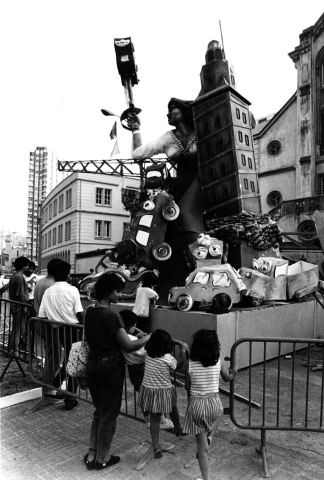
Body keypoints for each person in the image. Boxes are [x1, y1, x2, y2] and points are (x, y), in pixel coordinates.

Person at [128, 98, 205, 301]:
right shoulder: (167, 138)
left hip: (202, 185)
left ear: (185, 112)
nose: (168, 114)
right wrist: (136, 129)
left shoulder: (203, 129)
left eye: (173, 109)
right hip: (178, 189)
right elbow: (138, 154)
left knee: (191, 227)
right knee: (173, 228)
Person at [84, 272, 151, 470]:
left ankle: (92, 454)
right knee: (109, 414)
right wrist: (149, 337)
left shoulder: (90, 311)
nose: (119, 295)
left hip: (92, 363)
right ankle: (102, 458)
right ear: (107, 291)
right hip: (110, 366)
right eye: (117, 291)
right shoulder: (111, 315)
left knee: (99, 411)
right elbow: (129, 346)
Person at [183, 329, 237, 480]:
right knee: (219, 413)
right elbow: (227, 378)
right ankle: (210, 437)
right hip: (214, 403)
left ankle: (205, 478)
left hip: (196, 406)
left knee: (202, 451)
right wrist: (235, 372)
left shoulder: (190, 363)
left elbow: (187, 386)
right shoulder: (217, 360)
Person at [38, 260, 84, 410]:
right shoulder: (72, 290)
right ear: (68, 274)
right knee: (75, 362)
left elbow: (42, 315)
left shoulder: (48, 291)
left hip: (61, 331)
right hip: (74, 329)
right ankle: (70, 397)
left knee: (70, 358)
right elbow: (79, 313)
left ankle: (59, 381)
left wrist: (55, 319)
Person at [137, 329, 189, 459]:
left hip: (149, 390)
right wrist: (182, 350)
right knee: (173, 408)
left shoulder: (147, 355)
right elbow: (179, 365)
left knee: (155, 419)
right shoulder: (168, 358)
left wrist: (142, 336)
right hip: (164, 390)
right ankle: (177, 428)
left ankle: (156, 447)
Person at [119, 309, 174, 430]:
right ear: (131, 326)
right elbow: (144, 351)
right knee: (153, 396)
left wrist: (136, 333)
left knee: (143, 395)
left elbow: (132, 338)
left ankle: (148, 419)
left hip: (132, 371)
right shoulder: (132, 341)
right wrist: (149, 336)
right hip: (142, 370)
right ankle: (161, 420)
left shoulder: (123, 337)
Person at [34, 258, 62, 390]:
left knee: (50, 355)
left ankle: (47, 384)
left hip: (40, 322)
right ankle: (47, 387)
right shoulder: (51, 285)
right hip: (49, 324)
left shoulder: (40, 281)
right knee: (54, 359)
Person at [8, 256, 30, 355]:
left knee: (15, 328)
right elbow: (21, 294)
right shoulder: (20, 277)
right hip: (19, 306)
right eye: (27, 266)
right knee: (19, 329)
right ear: (22, 266)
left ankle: (11, 348)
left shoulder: (14, 275)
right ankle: (14, 350)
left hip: (14, 305)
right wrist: (25, 307)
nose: (28, 268)